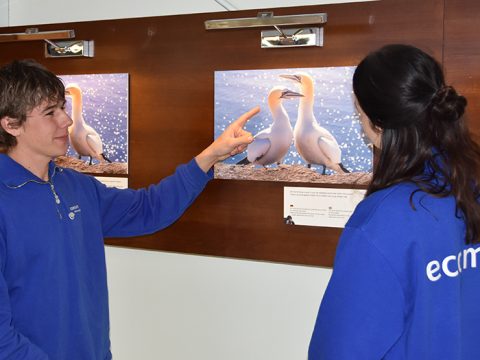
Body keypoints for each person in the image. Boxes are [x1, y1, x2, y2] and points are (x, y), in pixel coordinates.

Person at [0, 59, 259, 359]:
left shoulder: (77, 186)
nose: (66, 121)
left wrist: (210, 156)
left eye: (62, 107)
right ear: (11, 124)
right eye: (50, 113)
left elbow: (148, 209)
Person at [308, 44, 480, 359]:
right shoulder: (471, 187)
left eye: (358, 112)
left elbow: (340, 349)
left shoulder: (383, 219)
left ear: (378, 123)